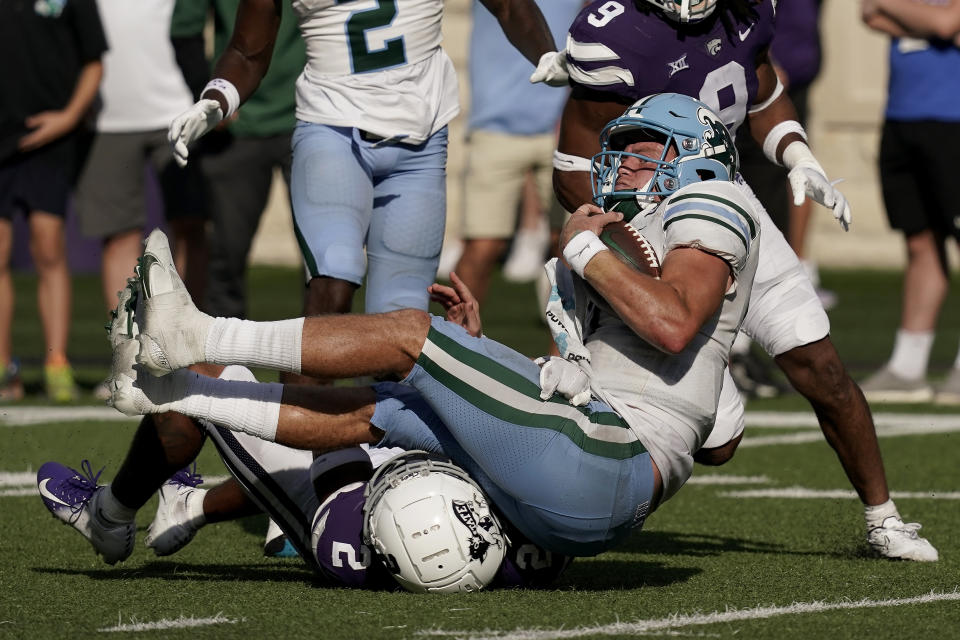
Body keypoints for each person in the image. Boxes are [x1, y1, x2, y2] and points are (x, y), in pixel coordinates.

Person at [113, 94, 760, 560]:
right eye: (616, 156)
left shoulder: (714, 202)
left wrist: (585, 253)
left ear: (695, 162)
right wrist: (483, 358)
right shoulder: (611, 248)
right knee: (386, 410)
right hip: (579, 473)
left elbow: (674, 327)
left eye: (642, 158)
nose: (619, 170)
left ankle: (201, 336)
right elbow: (578, 387)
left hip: (610, 461)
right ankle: (170, 392)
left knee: (410, 336)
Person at [548, 0, 936, 561]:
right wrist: (633, 246)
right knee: (718, 445)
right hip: (647, 217)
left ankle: (885, 520)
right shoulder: (616, 37)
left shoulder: (748, 13)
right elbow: (571, 173)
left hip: (728, 203)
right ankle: (554, 510)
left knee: (822, 367)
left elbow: (764, 95)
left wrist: (800, 156)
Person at [36, 281, 567, 590]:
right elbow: (503, 455)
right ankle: (191, 504)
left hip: (333, 491)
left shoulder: (351, 542)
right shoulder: (539, 533)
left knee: (195, 377)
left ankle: (109, 516)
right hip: (393, 483)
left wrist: (367, 380)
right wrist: (467, 357)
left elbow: (336, 444)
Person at [167, 0, 561, 336]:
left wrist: (546, 53)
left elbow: (508, 5)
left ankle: (378, 424)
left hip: (419, 144)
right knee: (334, 282)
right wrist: (217, 97)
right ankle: (293, 420)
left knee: (402, 322)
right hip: (332, 130)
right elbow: (248, 50)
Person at [74, 0, 207, 403]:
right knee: (118, 238)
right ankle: (130, 360)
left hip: (180, 109)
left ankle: (192, 355)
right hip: (106, 115)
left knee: (191, 227)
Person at [170, 0, 305, 320]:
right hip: (237, 126)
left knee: (327, 263)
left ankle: (325, 362)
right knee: (225, 257)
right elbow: (184, 30)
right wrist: (212, 96)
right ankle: (222, 366)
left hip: (312, 118)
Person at [0, 0, 106, 403]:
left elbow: (94, 62)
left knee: (48, 245)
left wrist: (68, 117)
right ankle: (3, 368)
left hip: (52, 138)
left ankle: (56, 362)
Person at [859, 0, 960, 405]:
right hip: (902, 117)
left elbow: (946, 19)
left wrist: (896, 9)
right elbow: (868, 15)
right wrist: (933, 25)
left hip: (953, 121)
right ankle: (907, 367)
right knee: (920, 242)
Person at [451, 0, 582, 304]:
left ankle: (565, 351)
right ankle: (454, 341)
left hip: (565, 127)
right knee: (482, 245)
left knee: (568, 244)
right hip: (495, 127)